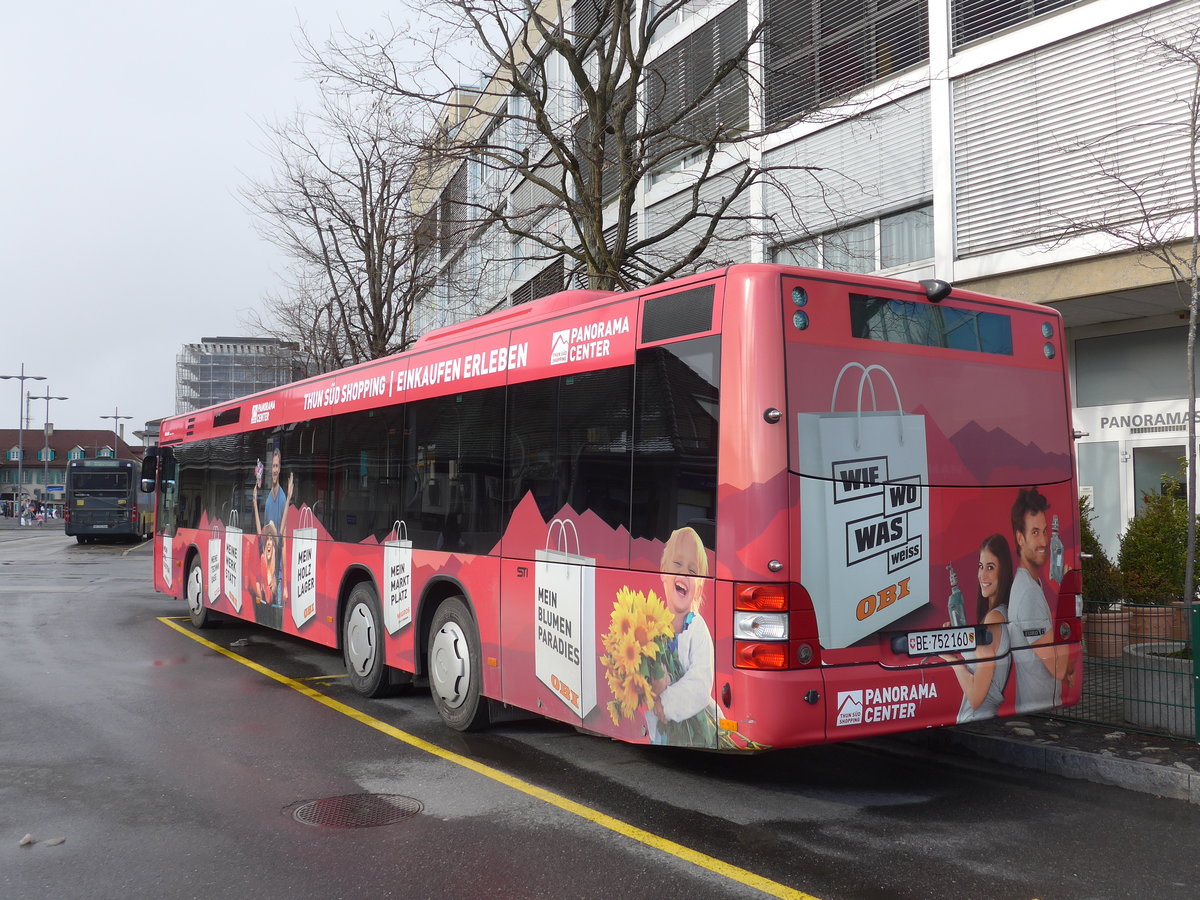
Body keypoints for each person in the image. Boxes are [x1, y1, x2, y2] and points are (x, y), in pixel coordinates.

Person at [646, 526, 717, 746]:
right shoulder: (653, 627)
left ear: (698, 588)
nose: (684, 573)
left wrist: (666, 703)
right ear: (662, 572)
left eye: (693, 571)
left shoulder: (697, 629)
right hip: (663, 730)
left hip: (697, 730)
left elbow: (700, 684)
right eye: (677, 564)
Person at [1008, 486, 1075, 712]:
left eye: (1045, 531)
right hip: (1037, 711)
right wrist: (1067, 598)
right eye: (1035, 532)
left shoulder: (1031, 584)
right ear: (1020, 538)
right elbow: (1058, 667)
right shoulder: (1028, 593)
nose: (1045, 541)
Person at [941, 534, 1013, 722]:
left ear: (1003, 572)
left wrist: (950, 659)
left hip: (976, 714)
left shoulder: (994, 619)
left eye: (991, 567)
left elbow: (975, 697)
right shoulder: (1002, 613)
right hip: (982, 714)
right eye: (981, 567)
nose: (983, 575)